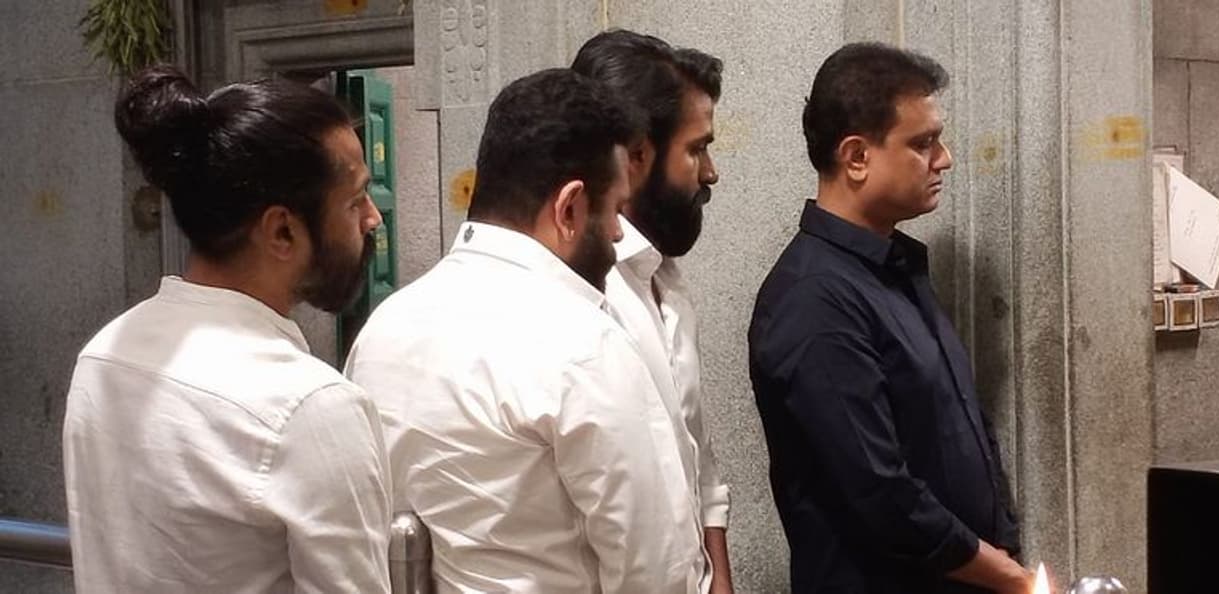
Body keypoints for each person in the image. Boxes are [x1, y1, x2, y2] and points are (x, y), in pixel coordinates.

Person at [345, 68, 706, 593]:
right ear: (569, 208)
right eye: (613, 210)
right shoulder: (584, 343)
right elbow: (658, 570)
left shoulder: (383, 331)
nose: (616, 233)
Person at [62, 66, 391, 593]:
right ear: (282, 230)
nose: (373, 218)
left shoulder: (102, 354)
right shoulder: (310, 405)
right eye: (354, 200)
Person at [748, 43, 1029, 594]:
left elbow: (961, 426)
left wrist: (1003, 543)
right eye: (923, 143)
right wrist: (1008, 575)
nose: (945, 158)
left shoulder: (894, 268)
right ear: (856, 157)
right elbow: (879, 490)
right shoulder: (814, 298)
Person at [571, 29, 733, 594]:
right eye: (696, 149)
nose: (710, 172)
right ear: (637, 156)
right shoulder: (582, 294)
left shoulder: (665, 280)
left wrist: (719, 577)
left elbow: (696, 458)